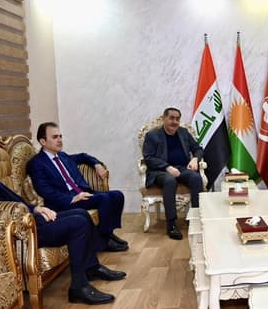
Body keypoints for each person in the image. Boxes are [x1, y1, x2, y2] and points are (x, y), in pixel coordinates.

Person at [0, 129, 126, 305]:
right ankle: (78, 288)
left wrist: (36, 209)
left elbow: (9, 205)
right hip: (22, 233)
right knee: (78, 222)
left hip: (26, 219)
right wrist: (33, 215)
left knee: (81, 214)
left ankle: (92, 268)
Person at [27, 122, 128, 252]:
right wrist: (72, 198)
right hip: (65, 201)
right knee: (104, 199)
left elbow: (83, 156)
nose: (59, 140)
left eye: (60, 136)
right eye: (55, 137)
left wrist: (96, 164)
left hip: (81, 193)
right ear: (43, 141)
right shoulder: (37, 163)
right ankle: (105, 240)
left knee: (117, 195)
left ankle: (107, 234)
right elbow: (45, 190)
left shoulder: (62, 156)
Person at [142, 107, 204, 240]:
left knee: (195, 178)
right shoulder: (152, 135)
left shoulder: (183, 132)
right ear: (164, 119)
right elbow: (148, 158)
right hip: (160, 171)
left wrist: (195, 159)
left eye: (177, 119)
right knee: (170, 180)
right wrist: (167, 167)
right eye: (171, 118)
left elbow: (198, 149)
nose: (174, 122)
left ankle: (195, 218)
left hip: (181, 168)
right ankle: (171, 225)